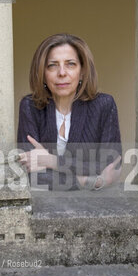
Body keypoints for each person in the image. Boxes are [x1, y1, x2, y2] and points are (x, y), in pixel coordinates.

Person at [17, 33, 122, 191]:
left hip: (94, 206)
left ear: (82, 72)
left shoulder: (104, 105)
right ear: (42, 74)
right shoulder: (30, 107)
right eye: (52, 65)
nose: (62, 73)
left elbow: (109, 165)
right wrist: (90, 180)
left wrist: (51, 161)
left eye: (70, 64)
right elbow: (31, 175)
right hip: (44, 206)